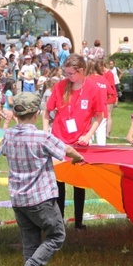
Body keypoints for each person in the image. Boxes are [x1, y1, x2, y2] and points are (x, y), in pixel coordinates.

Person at [0, 92, 84, 266]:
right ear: (37, 114)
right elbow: (66, 150)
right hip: (41, 199)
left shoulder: (9, 134)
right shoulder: (42, 136)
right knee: (57, 235)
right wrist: (78, 157)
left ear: (16, 114)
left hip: (19, 200)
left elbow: (2, 149)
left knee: (31, 242)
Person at [43, 54, 104, 230]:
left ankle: (78, 222)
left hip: (79, 144)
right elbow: (47, 111)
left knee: (79, 183)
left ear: (82, 71)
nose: (68, 77)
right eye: (66, 73)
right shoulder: (60, 86)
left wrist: (88, 135)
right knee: (58, 182)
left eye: (71, 73)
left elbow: (99, 116)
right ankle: (59, 220)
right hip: (59, 141)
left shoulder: (93, 89)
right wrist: (46, 132)